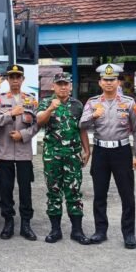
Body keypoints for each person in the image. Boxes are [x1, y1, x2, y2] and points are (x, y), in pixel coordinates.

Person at [79, 63, 136, 249]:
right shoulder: (92, 103)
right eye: (105, 80)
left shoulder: (129, 103)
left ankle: (129, 234)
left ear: (118, 82)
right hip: (100, 152)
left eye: (112, 79)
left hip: (122, 152)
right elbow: (81, 125)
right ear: (100, 82)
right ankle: (100, 231)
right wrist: (93, 115)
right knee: (99, 194)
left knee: (127, 195)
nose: (109, 83)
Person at [36, 71, 91, 245]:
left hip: (73, 155)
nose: (63, 87)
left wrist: (87, 150)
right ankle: (55, 230)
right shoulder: (46, 102)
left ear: (70, 86)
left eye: (66, 84)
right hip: (52, 155)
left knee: (74, 191)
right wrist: (50, 109)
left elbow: (82, 129)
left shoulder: (77, 105)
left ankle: (77, 230)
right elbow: (39, 122)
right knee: (54, 191)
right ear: (53, 86)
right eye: (59, 84)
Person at [0, 64, 38, 241]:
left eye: (18, 77)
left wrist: (23, 135)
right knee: (6, 188)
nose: (15, 80)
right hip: (5, 151)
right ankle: (8, 222)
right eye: (12, 77)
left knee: (25, 189)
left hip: (24, 152)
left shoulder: (31, 99)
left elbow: (37, 124)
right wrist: (11, 113)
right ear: (8, 80)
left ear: (23, 79)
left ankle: (26, 224)